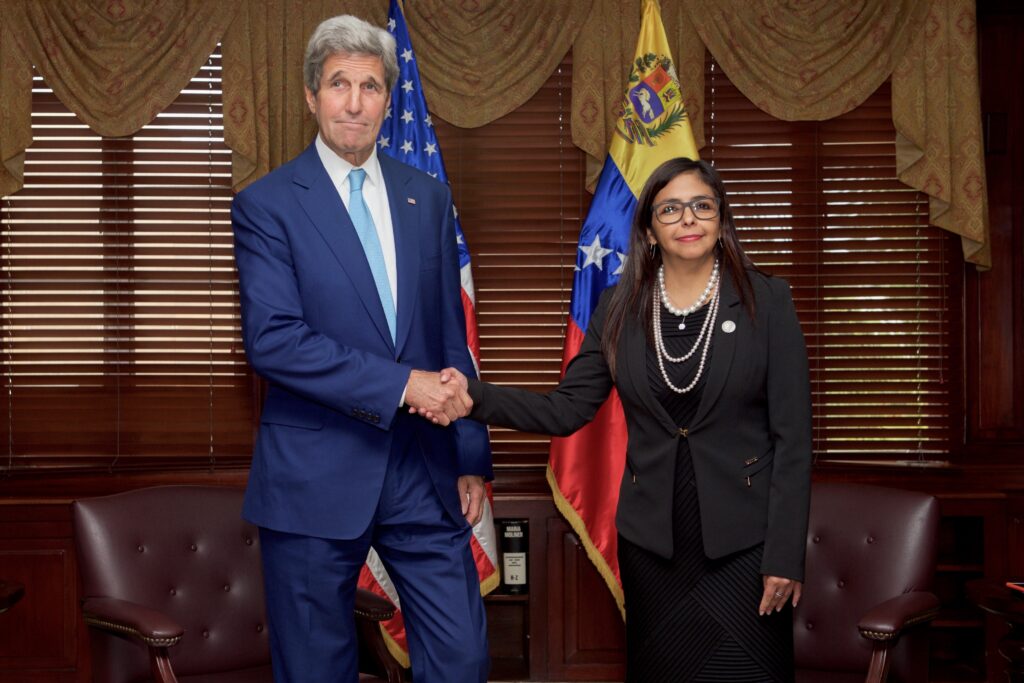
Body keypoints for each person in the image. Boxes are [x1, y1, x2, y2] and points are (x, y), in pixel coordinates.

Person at [432, 158, 812, 681]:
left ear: (721, 220)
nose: (688, 218)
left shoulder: (766, 301)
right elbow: (566, 409)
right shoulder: (619, 307)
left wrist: (785, 556)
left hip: (745, 545)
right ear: (650, 231)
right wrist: (471, 396)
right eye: (670, 209)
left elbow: (793, 441)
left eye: (702, 206)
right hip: (653, 546)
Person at [231, 14, 491, 683]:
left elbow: (449, 337)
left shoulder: (427, 198)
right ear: (311, 95)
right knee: (316, 668)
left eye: (370, 86)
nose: (354, 102)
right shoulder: (267, 205)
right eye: (338, 84)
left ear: (387, 99)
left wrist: (470, 455)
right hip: (314, 474)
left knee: (462, 657)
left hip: (422, 469)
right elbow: (273, 340)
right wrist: (402, 384)